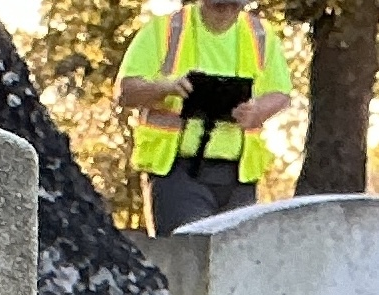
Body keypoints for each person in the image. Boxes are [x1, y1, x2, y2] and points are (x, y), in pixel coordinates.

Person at [116, 0, 293, 234]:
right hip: (177, 173)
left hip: (239, 178)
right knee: (189, 255)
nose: (226, 9)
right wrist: (166, 88)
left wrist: (257, 111)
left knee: (232, 263)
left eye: (233, 5)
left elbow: (280, 93)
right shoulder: (166, 30)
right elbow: (126, 91)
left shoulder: (260, 35)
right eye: (219, 4)